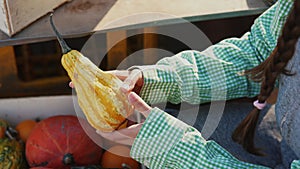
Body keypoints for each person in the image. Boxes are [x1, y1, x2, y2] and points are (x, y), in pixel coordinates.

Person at [74, 0, 300, 168]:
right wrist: (159, 79)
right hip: (288, 142)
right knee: (178, 118)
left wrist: (182, 154)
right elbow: (257, 51)